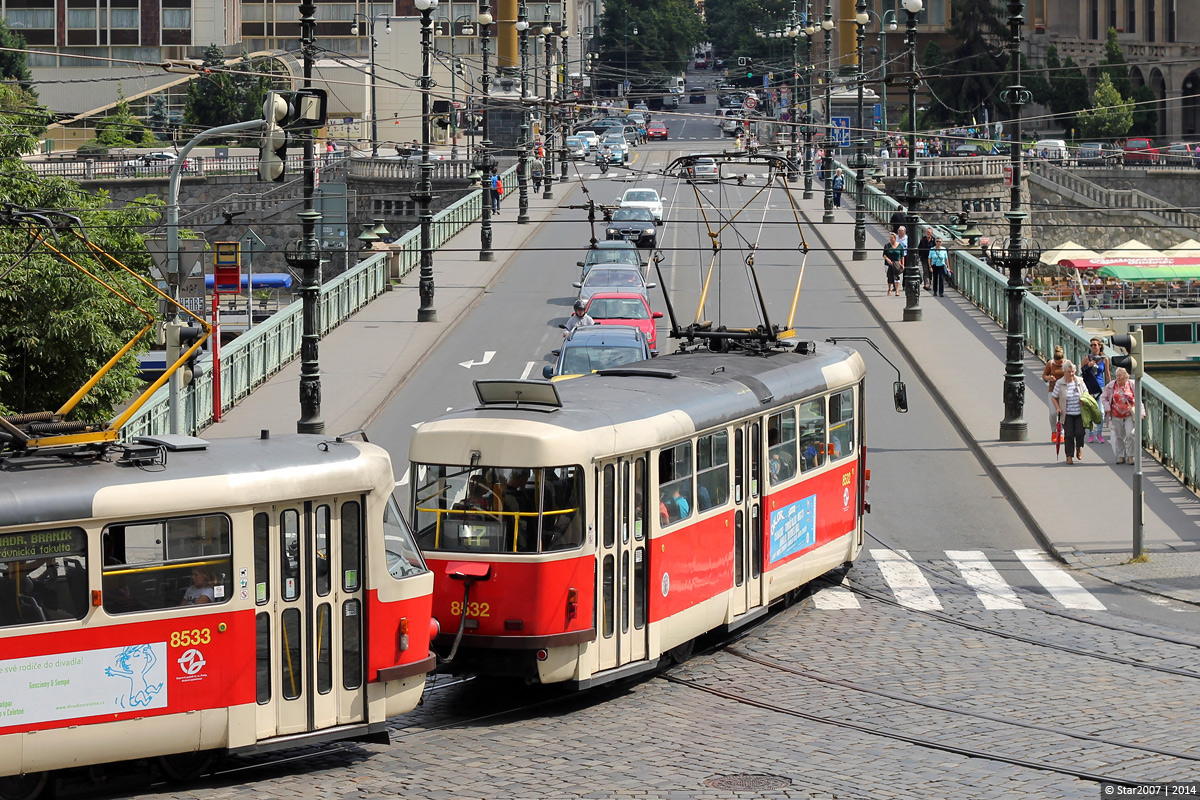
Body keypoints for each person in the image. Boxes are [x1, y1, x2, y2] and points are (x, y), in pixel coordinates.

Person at [1101, 366, 1141, 464]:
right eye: (1117, 376)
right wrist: (1107, 407)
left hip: (1128, 414)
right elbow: (1104, 397)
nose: (1118, 378)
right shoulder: (1111, 385)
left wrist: (1141, 412)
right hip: (1116, 414)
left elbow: (1139, 399)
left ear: (1126, 377)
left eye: (1121, 376)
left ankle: (1131, 456)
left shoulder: (1131, 385)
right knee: (1119, 436)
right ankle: (1121, 455)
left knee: (1130, 434)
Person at [1052, 360, 1088, 464]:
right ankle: (1069, 456)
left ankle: (1078, 447)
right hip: (1067, 413)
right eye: (1069, 372)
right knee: (1069, 434)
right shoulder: (1060, 383)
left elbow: (1086, 393)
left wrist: (1083, 400)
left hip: (1079, 413)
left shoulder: (1080, 381)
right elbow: (1054, 397)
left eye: (1073, 371)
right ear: (1064, 372)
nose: (1071, 374)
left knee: (1080, 433)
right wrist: (1058, 408)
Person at [1081, 337, 1108, 444]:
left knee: (1101, 412)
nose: (1093, 347)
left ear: (1100, 346)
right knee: (1091, 411)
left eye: (1095, 345)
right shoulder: (1088, 358)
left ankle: (1099, 433)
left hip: (1100, 387)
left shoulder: (1105, 358)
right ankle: (1091, 433)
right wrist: (1088, 366)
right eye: (1091, 345)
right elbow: (1082, 372)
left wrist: (1109, 387)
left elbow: (1107, 373)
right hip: (1089, 387)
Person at [1042, 345, 1066, 441]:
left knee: (1063, 413)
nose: (1059, 364)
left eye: (1060, 363)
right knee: (1053, 413)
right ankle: (1053, 431)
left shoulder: (1067, 363)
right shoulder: (1050, 364)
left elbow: (1072, 374)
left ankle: (1061, 434)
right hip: (1052, 390)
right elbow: (1044, 376)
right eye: (1057, 363)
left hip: (1064, 391)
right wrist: (1049, 378)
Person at [883, 232, 903, 296]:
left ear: (895, 238)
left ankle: (897, 290)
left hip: (897, 263)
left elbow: (902, 255)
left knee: (896, 276)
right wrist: (888, 260)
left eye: (892, 238)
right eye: (890, 238)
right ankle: (889, 289)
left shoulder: (899, 246)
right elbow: (884, 255)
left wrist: (902, 264)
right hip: (888, 264)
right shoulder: (887, 245)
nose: (891, 239)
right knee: (889, 276)